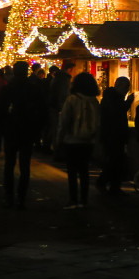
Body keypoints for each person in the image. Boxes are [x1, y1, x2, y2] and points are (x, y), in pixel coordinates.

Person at [0, 61, 47, 209]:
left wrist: (2, 129)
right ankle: (21, 197)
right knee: (25, 166)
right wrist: (37, 130)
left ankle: (9, 196)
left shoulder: (7, 89)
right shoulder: (34, 89)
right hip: (27, 131)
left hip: (11, 131)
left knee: (9, 165)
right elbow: (42, 112)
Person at [57, 71, 101, 209]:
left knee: (72, 172)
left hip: (72, 140)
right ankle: (84, 199)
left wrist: (59, 139)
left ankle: (73, 199)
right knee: (84, 171)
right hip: (88, 141)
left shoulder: (71, 99)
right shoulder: (94, 100)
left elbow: (64, 121)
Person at [96, 77, 133, 196]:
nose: (127, 91)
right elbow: (118, 112)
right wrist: (129, 102)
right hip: (113, 134)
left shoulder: (110, 96)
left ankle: (109, 183)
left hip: (112, 134)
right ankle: (109, 184)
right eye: (126, 88)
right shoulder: (113, 98)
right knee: (114, 161)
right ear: (120, 86)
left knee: (114, 161)